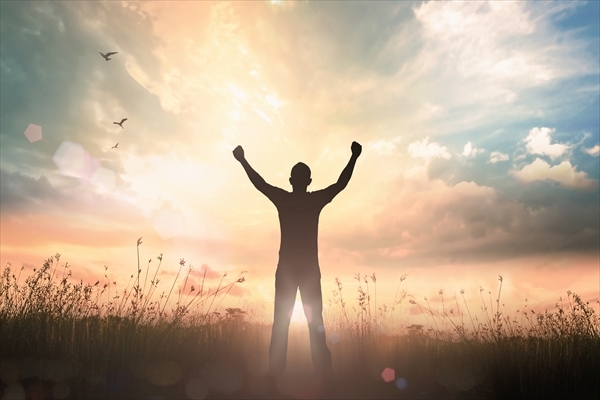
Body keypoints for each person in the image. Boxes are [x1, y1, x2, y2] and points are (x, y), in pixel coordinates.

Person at [232, 141, 362, 382]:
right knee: (315, 323)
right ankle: (323, 372)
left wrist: (243, 160)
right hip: (309, 271)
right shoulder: (314, 200)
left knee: (281, 322)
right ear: (309, 181)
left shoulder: (283, 199)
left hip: (287, 272)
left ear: (291, 181)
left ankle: (276, 373)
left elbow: (260, 184)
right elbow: (340, 184)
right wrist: (354, 157)